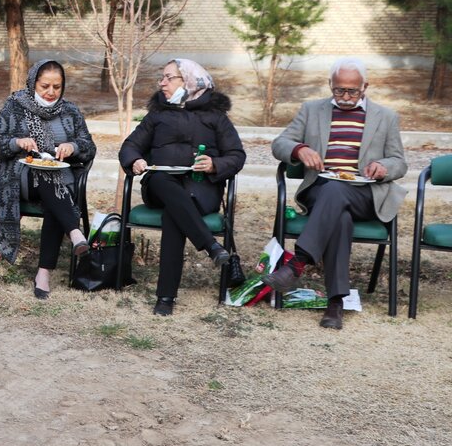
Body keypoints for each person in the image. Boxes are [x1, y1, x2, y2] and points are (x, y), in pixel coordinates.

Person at [264, 57, 408, 330]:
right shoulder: (311, 110)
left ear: (365, 86)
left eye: (352, 91)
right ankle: (335, 302)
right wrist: (299, 150)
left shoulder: (386, 117)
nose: (345, 96)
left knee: (337, 195)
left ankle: (298, 264)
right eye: (338, 90)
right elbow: (280, 143)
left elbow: (399, 162)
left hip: (366, 194)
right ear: (330, 85)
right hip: (321, 190)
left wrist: (383, 166)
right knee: (337, 207)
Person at [118, 58, 244, 316]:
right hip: (159, 186)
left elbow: (237, 155)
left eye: (169, 77)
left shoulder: (215, 117)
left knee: (176, 211)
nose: (161, 83)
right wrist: (136, 160)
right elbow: (129, 146)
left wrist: (214, 165)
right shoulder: (158, 114)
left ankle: (166, 297)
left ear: (188, 81)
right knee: (166, 185)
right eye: (162, 78)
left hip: (200, 188)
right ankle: (211, 246)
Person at [0, 60, 96, 299]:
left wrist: (72, 146)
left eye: (57, 86)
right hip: (19, 178)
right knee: (46, 174)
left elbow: (89, 147)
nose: (51, 92)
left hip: (60, 179)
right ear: (33, 82)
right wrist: (17, 143)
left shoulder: (70, 111)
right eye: (45, 86)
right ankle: (75, 232)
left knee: (54, 189)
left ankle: (43, 273)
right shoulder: (14, 106)